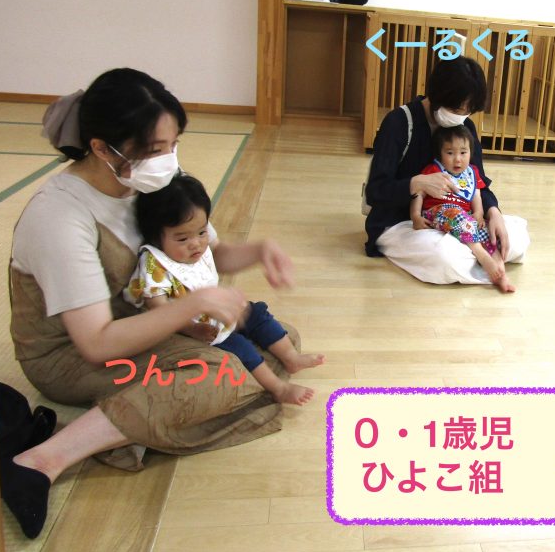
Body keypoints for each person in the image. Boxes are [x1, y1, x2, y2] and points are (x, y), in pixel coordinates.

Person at [3, 68, 307, 539]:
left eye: (173, 145)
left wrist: (258, 250)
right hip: (71, 353)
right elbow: (96, 343)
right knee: (227, 373)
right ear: (102, 148)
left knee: (274, 341)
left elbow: (202, 254)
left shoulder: (151, 184)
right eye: (155, 149)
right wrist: (189, 308)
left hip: (148, 318)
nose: (168, 161)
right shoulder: (60, 217)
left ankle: (130, 417)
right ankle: (44, 459)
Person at [127, 173, 324, 405]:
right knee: (241, 348)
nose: (196, 243)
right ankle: (278, 387)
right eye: (182, 239)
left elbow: (218, 255)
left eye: (202, 232)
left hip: (219, 312)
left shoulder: (197, 247)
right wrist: (191, 328)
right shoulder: (154, 264)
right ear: (156, 238)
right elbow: (159, 310)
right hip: (197, 328)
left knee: (257, 314)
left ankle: (291, 357)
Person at [364, 56, 530, 285]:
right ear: (437, 96)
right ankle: (483, 257)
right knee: (446, 258)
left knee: (516, 238)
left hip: (459, 217)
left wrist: (494, 213)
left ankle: (478, 255)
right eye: (456, 109)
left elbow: (478, 181)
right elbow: (375, 191)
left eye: (467, 111)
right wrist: (416, 183)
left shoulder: (464, 126)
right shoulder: (399, 122)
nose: (461, 116)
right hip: (406, 223)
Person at [411, 124, 515, 292]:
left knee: (485, 231)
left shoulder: (472, 172)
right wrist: (415, 216)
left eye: (463, 152)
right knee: (457, 214)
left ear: (471, 153)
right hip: (438, 211)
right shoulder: (433, 170)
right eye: (450, 153)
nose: (457, 159)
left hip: (465, 216)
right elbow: (419, 194)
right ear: (439, 153)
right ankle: (482, 255)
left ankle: (500, 271)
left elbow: (476, 195)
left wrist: (479, 213)